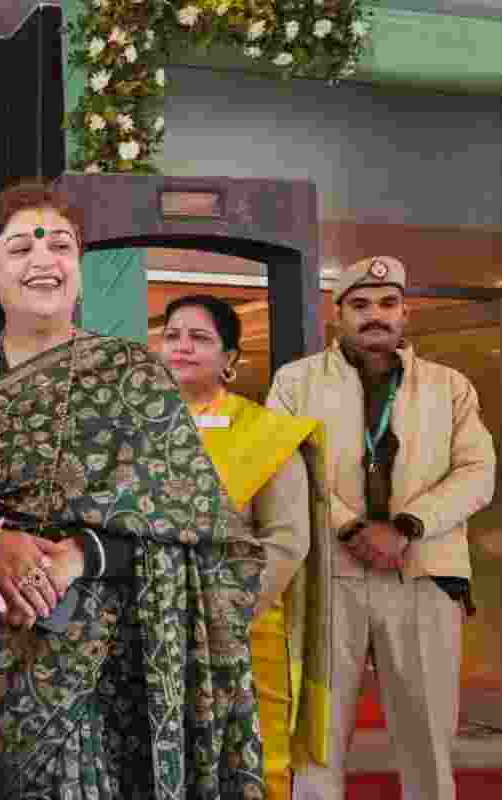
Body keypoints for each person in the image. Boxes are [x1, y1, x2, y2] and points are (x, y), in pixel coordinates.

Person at [0, 181, 265, 799]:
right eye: (21, 247)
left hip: (104, 656)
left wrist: (77, 557)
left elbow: (203, 534)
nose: (43, 260)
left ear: (77, 269)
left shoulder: (135, 375)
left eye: (60, 245)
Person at [272, 256, 495, 800]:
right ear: (338, 313)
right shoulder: (295, 383)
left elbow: (477, 473)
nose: (376, 315)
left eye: (388, 304)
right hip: (329, 577)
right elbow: (283, 466)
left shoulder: (450, 387)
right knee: (317, 739)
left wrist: (407, 527)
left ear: (405, 312)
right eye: (361, 305)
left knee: (428, 739)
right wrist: (349, 527)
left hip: (421, 575)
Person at [158, 294, 334, 800]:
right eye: (173, 336)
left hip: (239, 634)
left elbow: (285, 540)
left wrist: (224, 616)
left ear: (231, 359)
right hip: (149, 634)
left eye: (200, 338)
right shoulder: (137, 429)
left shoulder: (265, 435)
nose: (183, 347)